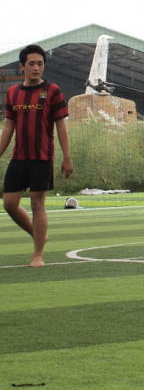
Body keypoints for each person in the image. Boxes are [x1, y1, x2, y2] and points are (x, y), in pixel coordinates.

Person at [1, 44, 73, 267]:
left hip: (42, 157)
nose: (36, 67)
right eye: (31, 63)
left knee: (37, 204)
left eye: (40, 63)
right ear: (22, 66)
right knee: (9, 203)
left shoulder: (52, 91)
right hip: (19, 157)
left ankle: (38, 255)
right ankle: (39, 233)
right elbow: (8, 128)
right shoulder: (13, 92)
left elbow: (61, 126)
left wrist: (67, 157)